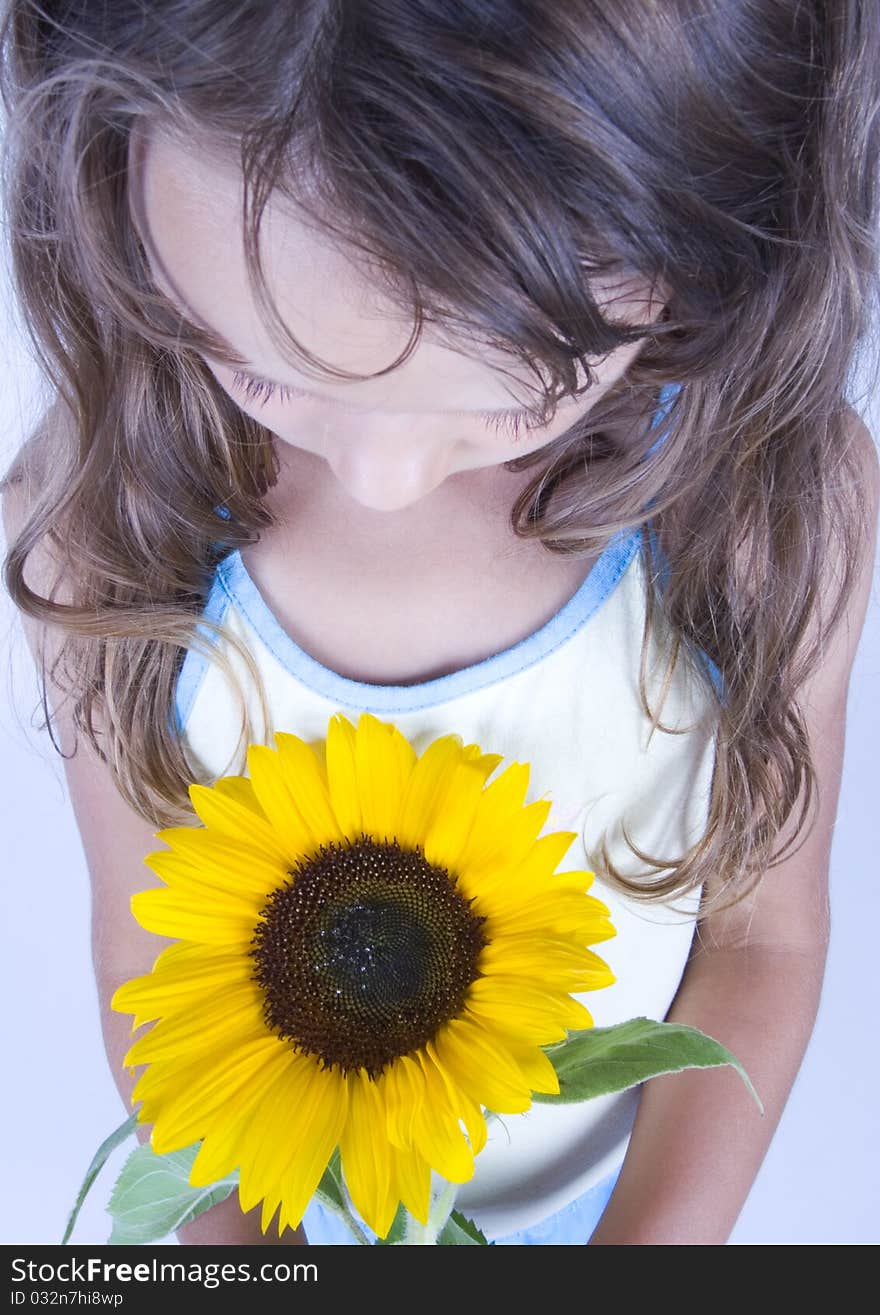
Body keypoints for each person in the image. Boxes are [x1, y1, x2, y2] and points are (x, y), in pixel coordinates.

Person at [1, 1, 878, 1247]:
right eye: (258, 367)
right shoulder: (101, 528)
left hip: (627, 1196)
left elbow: (761, 937)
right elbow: (156, 964)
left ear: (722, 235)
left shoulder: (768, 506)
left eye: (515, 396)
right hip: (282, 1199)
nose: (381, 476)